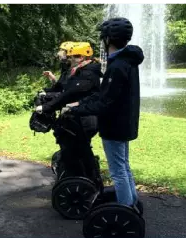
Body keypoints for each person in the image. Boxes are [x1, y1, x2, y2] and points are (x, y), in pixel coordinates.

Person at [63, 17, 144, 208]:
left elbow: (105, 103)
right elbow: (105, 94)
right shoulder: (127, 61)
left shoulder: (117, 66)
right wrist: (80, 104)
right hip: (124, 123)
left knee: (118, 171)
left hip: (115, 125)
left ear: (108, 39)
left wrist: (76, 110)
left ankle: (125, 209)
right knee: (124, 166)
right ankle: (132, 203)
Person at [35, 42, 102, 140]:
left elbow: (68, 94)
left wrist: (46, 106)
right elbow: (65, 90)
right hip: (79, 116)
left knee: (75, 148)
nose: (70, 59)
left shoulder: (87, 73)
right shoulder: (81, 71)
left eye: (72, 57)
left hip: (84, 119)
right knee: (76, 148)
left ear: (81, 57)